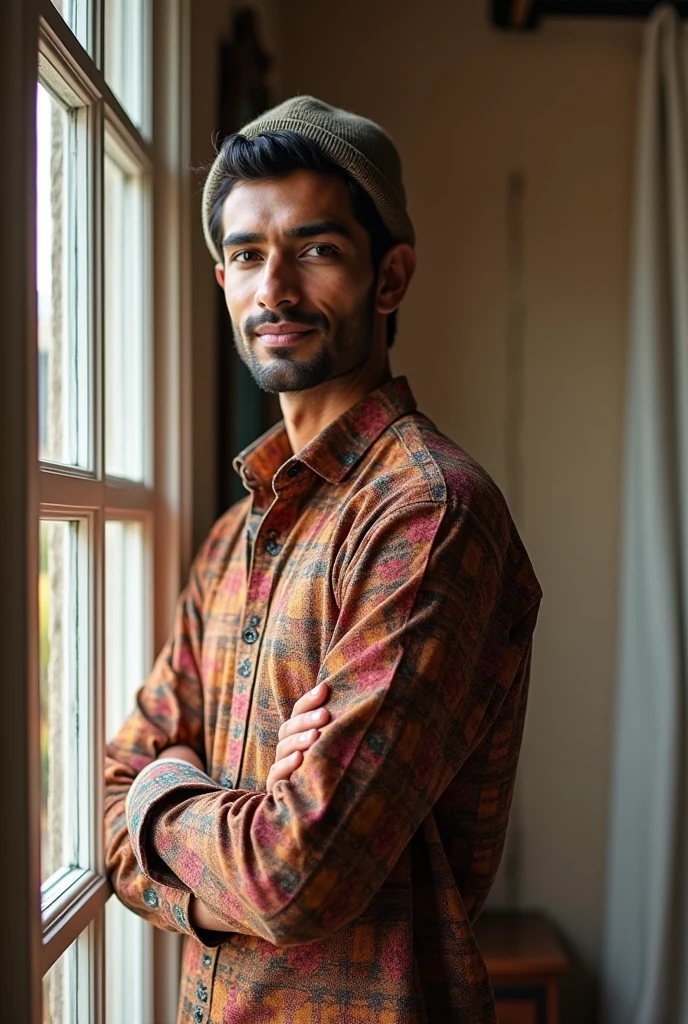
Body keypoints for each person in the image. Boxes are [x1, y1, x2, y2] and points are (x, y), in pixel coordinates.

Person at [105, 95, 542, 1024]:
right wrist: (226, 799)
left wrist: (166, 789)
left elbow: (289, 878)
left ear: (391, 278)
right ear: (221, 279)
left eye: (316, 249)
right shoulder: (234, 538)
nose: (276, 290)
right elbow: (108, 797)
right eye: (248, 256)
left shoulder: (429, 514)